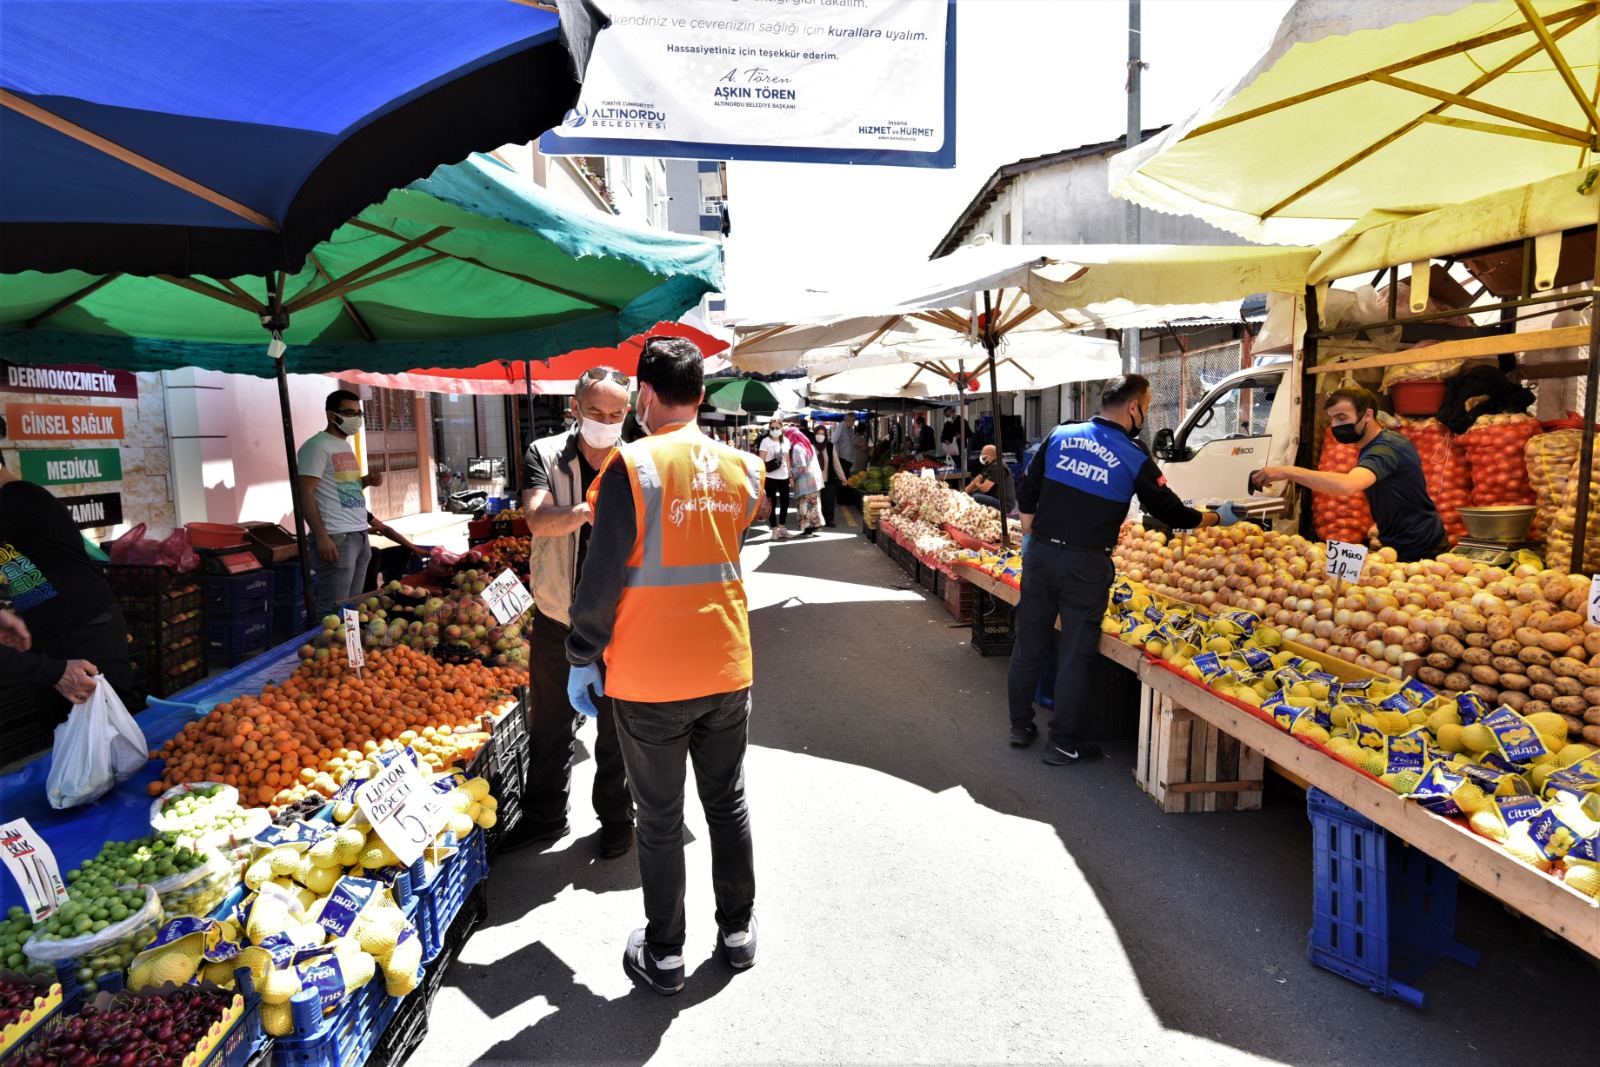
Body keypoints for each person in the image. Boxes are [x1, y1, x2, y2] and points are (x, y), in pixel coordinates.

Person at [566, 336, 765, 995]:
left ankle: (666, 952)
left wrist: (580, 654)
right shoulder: (744, 468)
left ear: (645, 395)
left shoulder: (630, 467)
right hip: (726, 665)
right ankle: (737, 933)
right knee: (727, 802)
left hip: (650, 678)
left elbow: (599, 580)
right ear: (702, 395)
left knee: (658, 817)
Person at [1009, 374, 1242, 765]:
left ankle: (1019, 725)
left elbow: (1026, 489)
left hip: (1041, 556)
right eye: (1147, 408)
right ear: (1134, 407)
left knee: (1029, 643)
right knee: (1074, 655)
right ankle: (1061, 742)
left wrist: (1033, 538)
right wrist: (1216, 519)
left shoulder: (1060, 435)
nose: (1145, 415)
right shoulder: (1135, 457)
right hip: (1086, 565)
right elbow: (1170, 512)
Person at [508, 366, 637, 857]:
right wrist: (588, 510)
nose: (606, 421)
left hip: (620, 618)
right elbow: (538, 518)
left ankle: (615, 820)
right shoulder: (545, 454)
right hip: (557, 614)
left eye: (616, 413)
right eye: (595, 412)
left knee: (615, 729)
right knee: (548, 723)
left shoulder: (637, 458)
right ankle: (544, 818)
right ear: (574, 408)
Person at [0, 457, 134, 729]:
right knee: (66, 737)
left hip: (86, 630)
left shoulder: (18, 497)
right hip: (44, 637)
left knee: (112, 731)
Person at [1254, 386, 1448, 562]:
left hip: (1418, 548)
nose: (1336, 425)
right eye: (1332, 418)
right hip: (1398, 540)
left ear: (1367, 415)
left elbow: (1349, 485)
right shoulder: (1378, 443)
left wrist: (1288, 471)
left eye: (1342, 418)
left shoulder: (1384, 449)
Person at [297, 390, 382, 620]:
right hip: (336, 536)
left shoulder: (344, 445)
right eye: (348, 412)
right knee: (332, 609)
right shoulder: (317, 446)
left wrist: (365, 481)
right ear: (331, 415)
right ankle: (325, 653)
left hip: (358, 533)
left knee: (351, 605)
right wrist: (321, 536)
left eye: (358, 413)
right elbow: (303, 493)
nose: (355, 418)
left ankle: (346, 653)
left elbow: (341, 488)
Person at [784, 425, 825, 538]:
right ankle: (814, 526)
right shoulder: (808, 445)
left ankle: (807, 530)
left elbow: (800, 466)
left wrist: (791, 475)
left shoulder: (797, 448)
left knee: (804, 505)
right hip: (814, 480)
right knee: (813, 505)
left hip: (804, 482)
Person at [757, 416, 791, 536]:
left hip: (784, 476)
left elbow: (787, 460)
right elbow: (761, 461)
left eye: (777, 427)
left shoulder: (786, 441)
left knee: (785, 502)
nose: (775, 430)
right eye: (772, 428)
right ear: (769, 429)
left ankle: (782, 527)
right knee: (771, 503)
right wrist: (761, 478)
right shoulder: (765, 441)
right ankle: (774, 529)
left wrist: (791, 476)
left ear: (781, 428)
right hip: (770, 476)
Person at [963, 444, 1016, 513]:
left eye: (982, 454)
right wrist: (961, 494)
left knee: (975, 498)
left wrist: (977, 484)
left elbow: (985, 488)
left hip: (1004, 504)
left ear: (988, 456)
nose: (981, 456)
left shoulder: (998, 467)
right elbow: (975, 482)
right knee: (969, 496)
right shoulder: (989, 466)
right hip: (994, 498)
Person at [815, 424, 845, 527]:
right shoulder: (811, 445)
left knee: (828, 500)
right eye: (818, 434)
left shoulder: (830, 446)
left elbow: (836, 464)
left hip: (828, 478)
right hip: (814, 480)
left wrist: (842, 477)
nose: (820, 436)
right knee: (815, 501)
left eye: (822, 434)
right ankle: (816, 521)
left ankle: (828, 520)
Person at [831, 413, 858, 478]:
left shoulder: (849, 428)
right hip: (842, 458)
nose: (853, 423)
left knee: (846, 477)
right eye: (853, 421)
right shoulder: (841, 427)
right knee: (843, 478)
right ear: (849, 420)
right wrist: (836, 455)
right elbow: (834, 441)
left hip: (849, 459)